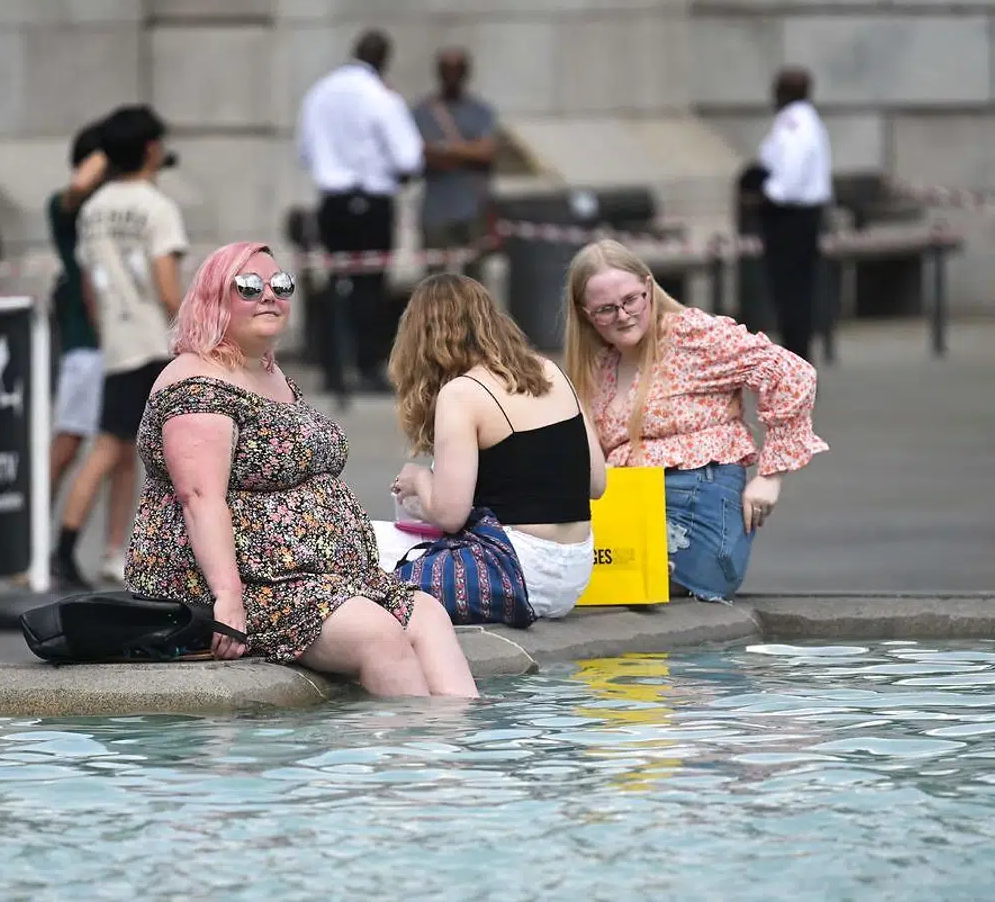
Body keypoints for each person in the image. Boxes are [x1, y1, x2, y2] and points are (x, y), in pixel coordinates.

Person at [124, 241, 477, 697]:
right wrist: (227, 598)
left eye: (281, 285)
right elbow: (199, 498)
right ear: (213, 299)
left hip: (321, 579)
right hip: (246, 585)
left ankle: (463, 757)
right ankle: (408, 762)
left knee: (427, 614)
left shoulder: (267, 373)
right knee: (378, 636)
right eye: (249, 287)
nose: (270, 295)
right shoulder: (196, 383)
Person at [563, 239, 829, 602]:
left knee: (654, 608)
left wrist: (771, 478)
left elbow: (791, 375)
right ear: (585, 314)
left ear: (649, 287)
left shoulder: (690, 335)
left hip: (696, 503)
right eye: (606, 309)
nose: (623, 315)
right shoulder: (599, 364)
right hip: (628, 514)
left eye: (631, 300)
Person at [378, 273, 606, 621]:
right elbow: (597, 483)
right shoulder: (551, 371)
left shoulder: (461, 393)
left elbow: (450, 516)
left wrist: (418, 480)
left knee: (363, 563)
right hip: (575, 574)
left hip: (514, 571)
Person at [53, 105, 188, 591]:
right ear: (152, 149)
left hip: (116, 340)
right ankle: (65, 547)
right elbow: (167, 286)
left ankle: (115, 552)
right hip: (153, 342)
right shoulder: (157, 208)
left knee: (126, 450)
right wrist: (191, 329)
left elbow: (91, 288)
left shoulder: (94, 209)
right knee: (113, 447)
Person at [297, 28, 424, 396]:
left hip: (332, 201)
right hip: (371, 200)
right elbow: (408, 157)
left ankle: (334, 364)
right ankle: (367, 365)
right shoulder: (381, 97)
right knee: (369, 284)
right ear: (383, 59)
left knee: (336, 282)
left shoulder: (319, 93)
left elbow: (305, 152)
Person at [44, 120, 136, 589]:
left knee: (126, 450)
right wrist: (102, 156)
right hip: (85, 345)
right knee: (70, 444)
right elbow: (76, 189)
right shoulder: (71, 208)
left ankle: (113, 550)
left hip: (125, 345)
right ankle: (34, 546)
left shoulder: (122, 205)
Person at [757, 66, 831, 361]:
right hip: (805, 214)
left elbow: (790, 172)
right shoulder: (810, 120)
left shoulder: (793, 124)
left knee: (791, 293)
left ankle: (797, 361)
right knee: (798, 291)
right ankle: (798, 358)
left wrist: (768, 194)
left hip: (790, 216)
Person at [411, 48, 499, 277]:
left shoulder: (480, 112)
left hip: (472, 208)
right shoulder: (423, 112)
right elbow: (421, 154)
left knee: (474, 280)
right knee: (435, 281)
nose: (452, 76)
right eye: (446, 70)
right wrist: (466, 151)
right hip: (436, 210)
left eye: (457, 70)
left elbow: (486, 152)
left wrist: (444, 149)